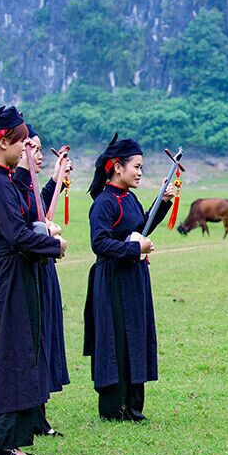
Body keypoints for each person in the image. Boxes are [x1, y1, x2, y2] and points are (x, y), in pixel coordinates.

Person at [0, 106, 67, 455]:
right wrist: (55, 245)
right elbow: (17, 234)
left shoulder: (2, 179)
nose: (26, 149)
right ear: (3, 142)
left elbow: (23, 204)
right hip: (9, 273)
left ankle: (10, 438)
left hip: (17, 271)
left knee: (21, 348)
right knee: (11, 352)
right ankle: (2, 440)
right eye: (22, 143)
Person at [83, 134, 174, 421]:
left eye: (141, 167)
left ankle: (133, 407)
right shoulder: (104, 203)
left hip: (134, 277)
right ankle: (114, 408)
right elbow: (99, 243)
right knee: (116, 338)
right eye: (136, 166)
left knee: (136, 335)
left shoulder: (129, 198)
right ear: (117, 167)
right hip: (111, 281)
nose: (139, 172)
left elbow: (142, 226)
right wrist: (135, 248)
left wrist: (163, 201)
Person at [13, 123, 72, 435]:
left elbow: (39, 206)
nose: (37, 154)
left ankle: (38, 414)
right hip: (24, 272)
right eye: (31, 148)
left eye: (38, 148)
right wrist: (48, 237)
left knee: (45, 337)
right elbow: (25, 224)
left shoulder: (27, 184)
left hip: (43, 268)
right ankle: (24, 414)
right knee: (29, 342)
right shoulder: (11, 185)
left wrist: (55, 180)